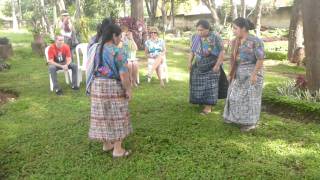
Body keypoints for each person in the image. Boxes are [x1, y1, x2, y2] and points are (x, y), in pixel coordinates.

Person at [87, 22, 132, 158]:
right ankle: (118, 150)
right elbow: (123, 75)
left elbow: (96, 68)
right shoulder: (118, 51)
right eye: (119, 36)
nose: (120, 39)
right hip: (113, 87)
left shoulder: (95, 49)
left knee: (103, 115)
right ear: (113, 35)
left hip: (97, 86)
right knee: (118, 117)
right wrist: (128, 89)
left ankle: (107, 144)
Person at [223, 17, 265, 132]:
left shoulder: (255, 41)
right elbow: (233, 59)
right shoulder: (235, 41)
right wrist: (230, 73)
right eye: (233, 28)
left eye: (235, 28)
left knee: (250, 99)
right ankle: (235, 118)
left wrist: (254, 75)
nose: (233, 30)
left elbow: (260, 59)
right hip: (239, 73)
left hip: (253, 73)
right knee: (234, 96)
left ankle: (250, 123)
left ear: (244, 29)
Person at [189, 19, 225, 115]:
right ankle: (201, 101)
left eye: (201, 30)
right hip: (199, 64)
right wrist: (190, 62)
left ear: (208, 29)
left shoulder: (215, 37)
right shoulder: (195, 37)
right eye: (198, 30)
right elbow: (192, 51)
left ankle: (208, 107)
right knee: (197, 83)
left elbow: (222, 51)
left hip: (212, 65)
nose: (199, 32)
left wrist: (217, 65)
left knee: (210, 86)